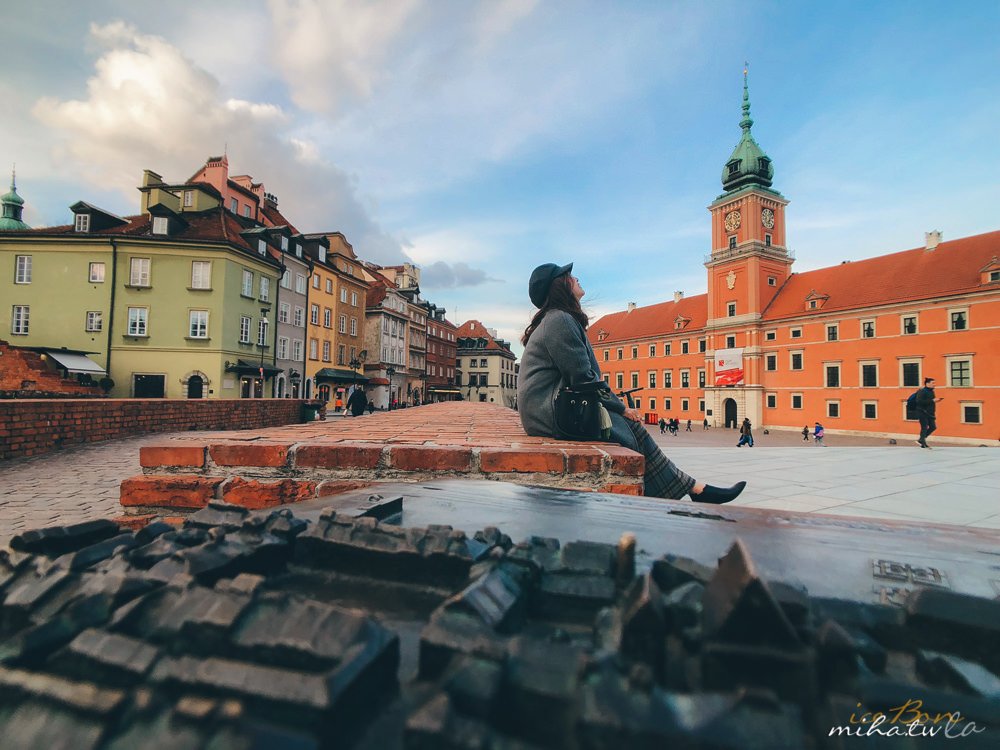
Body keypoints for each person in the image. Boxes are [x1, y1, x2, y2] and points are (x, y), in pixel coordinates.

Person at [517, 262, 746, 504]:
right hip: (548, 415)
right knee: (627, 429)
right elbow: (583, 378)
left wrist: (617, 408)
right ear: (560, 285)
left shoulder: (558, 319)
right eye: (569, 276)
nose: (576, 278)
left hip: (550, 410)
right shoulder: (559, 320)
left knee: (630, 429)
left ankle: (692, 489)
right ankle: (688, 490)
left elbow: (582, 378)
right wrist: (621, 407)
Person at [915, 377, 942, 448]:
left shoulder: (931, 391)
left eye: (934, 383)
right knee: (924, 427)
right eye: (933, 383)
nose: (934, 384)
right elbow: (919, 401)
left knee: (933, 427)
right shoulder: (922, 391)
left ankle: (921, 439)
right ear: (927, 384)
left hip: (930, 413)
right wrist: (932, 401)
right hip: (922, 412)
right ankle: (923, 443)